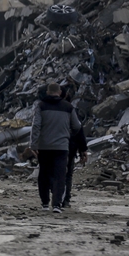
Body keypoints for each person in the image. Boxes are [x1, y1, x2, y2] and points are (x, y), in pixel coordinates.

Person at [30, 82, 81, 214]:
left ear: (47, 92)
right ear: (59, 93)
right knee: (60, 175)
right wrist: (67, 135)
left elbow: (36, 126)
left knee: (44, 174)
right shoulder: (68, 107)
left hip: (44, 147)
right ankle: (57, 205)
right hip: (62, 147)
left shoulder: (41, 106)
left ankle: (45, 203)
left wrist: (33, 144)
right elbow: (77, 126)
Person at [62, 110, 88, 208]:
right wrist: (82, 149)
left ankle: (57, 198)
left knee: (56, 173)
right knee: (68, 174)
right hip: (70, 147)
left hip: (54, 147)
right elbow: (79, 130)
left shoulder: (47, 108)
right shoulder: (71, 111)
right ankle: (65, 199)